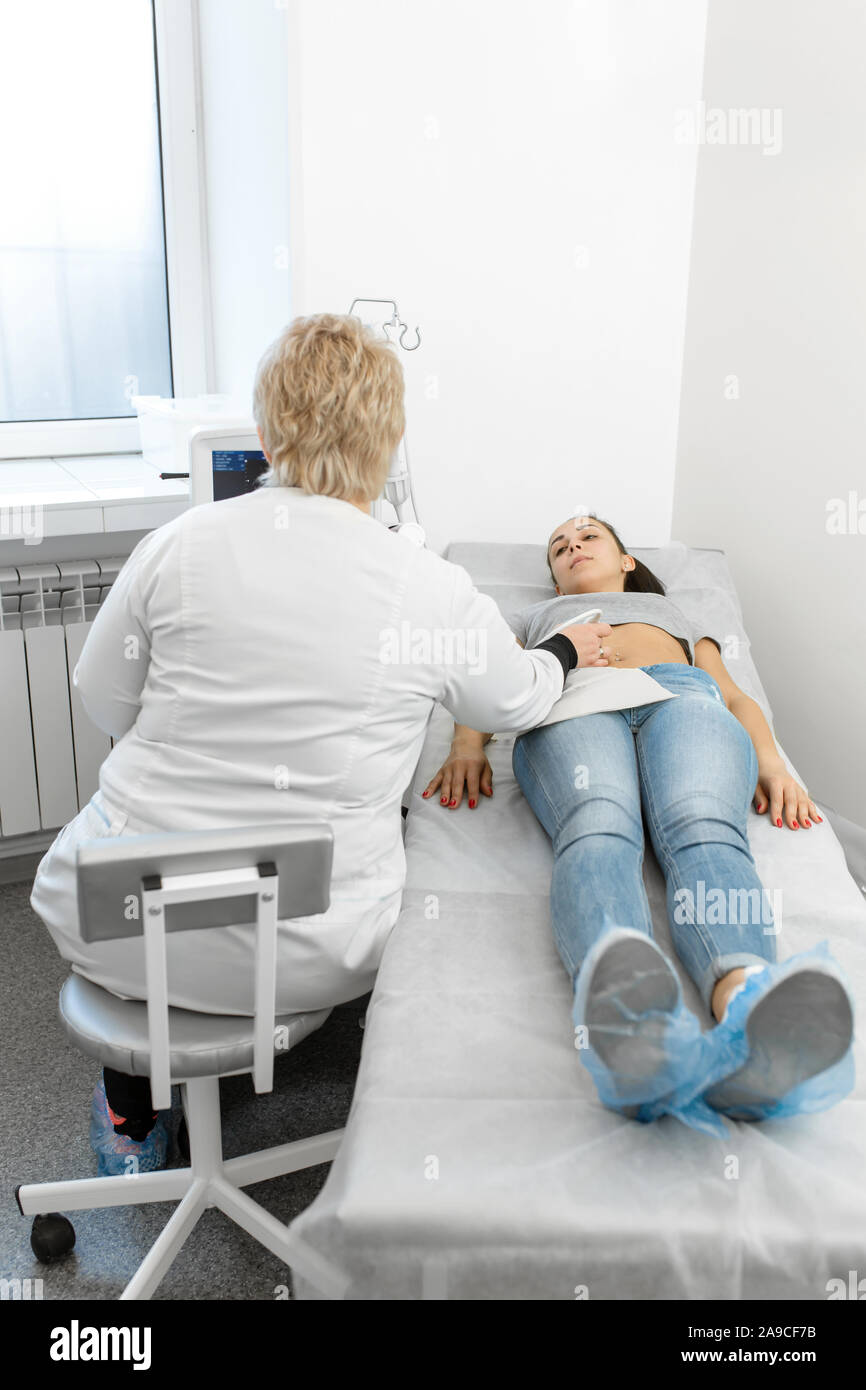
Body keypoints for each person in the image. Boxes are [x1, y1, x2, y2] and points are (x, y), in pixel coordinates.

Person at [29, 315, 600, 1175]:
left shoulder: (175, 548)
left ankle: (130, 1115)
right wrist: (564, 649)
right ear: (390, 443)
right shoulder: (426, 585)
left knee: (131, 870)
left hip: (113, 921)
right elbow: (515, 699)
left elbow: (103, 699)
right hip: (307, 947)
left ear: (264, 435)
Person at [422, 512, 855, 1129]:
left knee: (705, 826)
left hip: (682, 699)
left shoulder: (675, 613)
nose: (573, 548)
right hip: (575, 697)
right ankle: (636, 1032)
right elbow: (499, 685)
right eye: (559, 548)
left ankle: (750, 1013)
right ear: (552, 580)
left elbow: (730, 694)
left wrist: (772, 762)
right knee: (598, 824)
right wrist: (466, 746)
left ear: (626, 560)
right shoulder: (534, 620)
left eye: (588, 537)